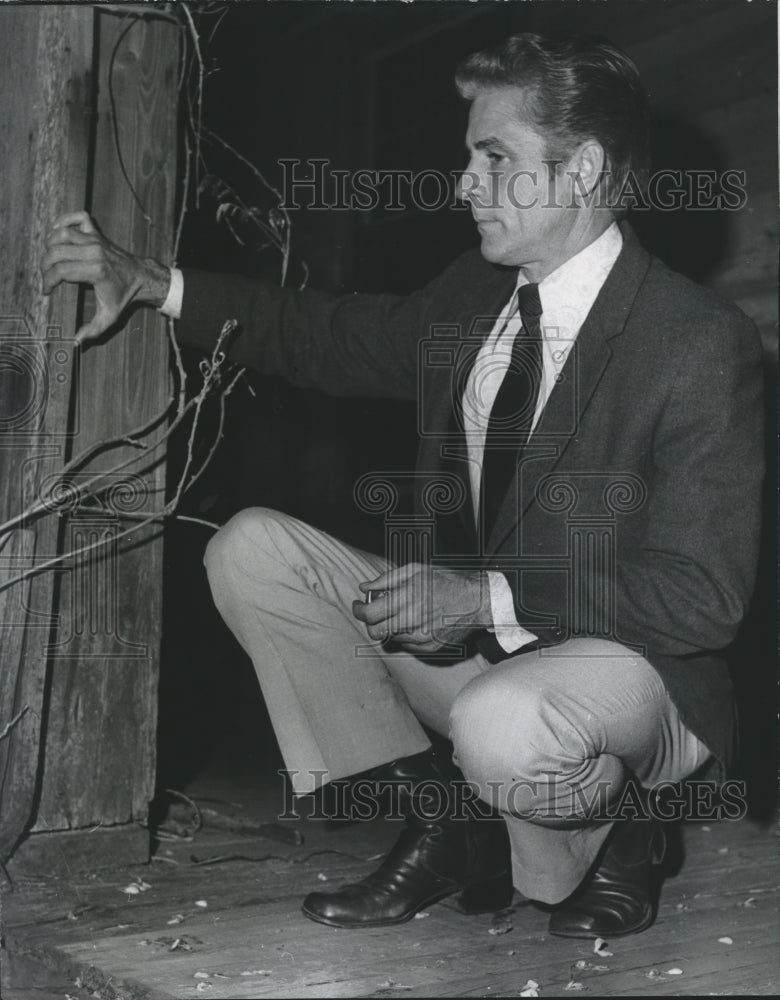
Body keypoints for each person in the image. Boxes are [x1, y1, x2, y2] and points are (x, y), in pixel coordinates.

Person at [42, 32, 764, 939]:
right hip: (490, 658)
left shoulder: (697, 339)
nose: (463, 182)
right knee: (254, 550)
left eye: (492, 158)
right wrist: (156, 284)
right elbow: (327, 334)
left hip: (634, 675)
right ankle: (453, 822)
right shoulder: (476, 294)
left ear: (581, 170)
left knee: (506, 725)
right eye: (469, 158)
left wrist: (486, 594)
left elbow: (704, 600)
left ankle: (624, 831)